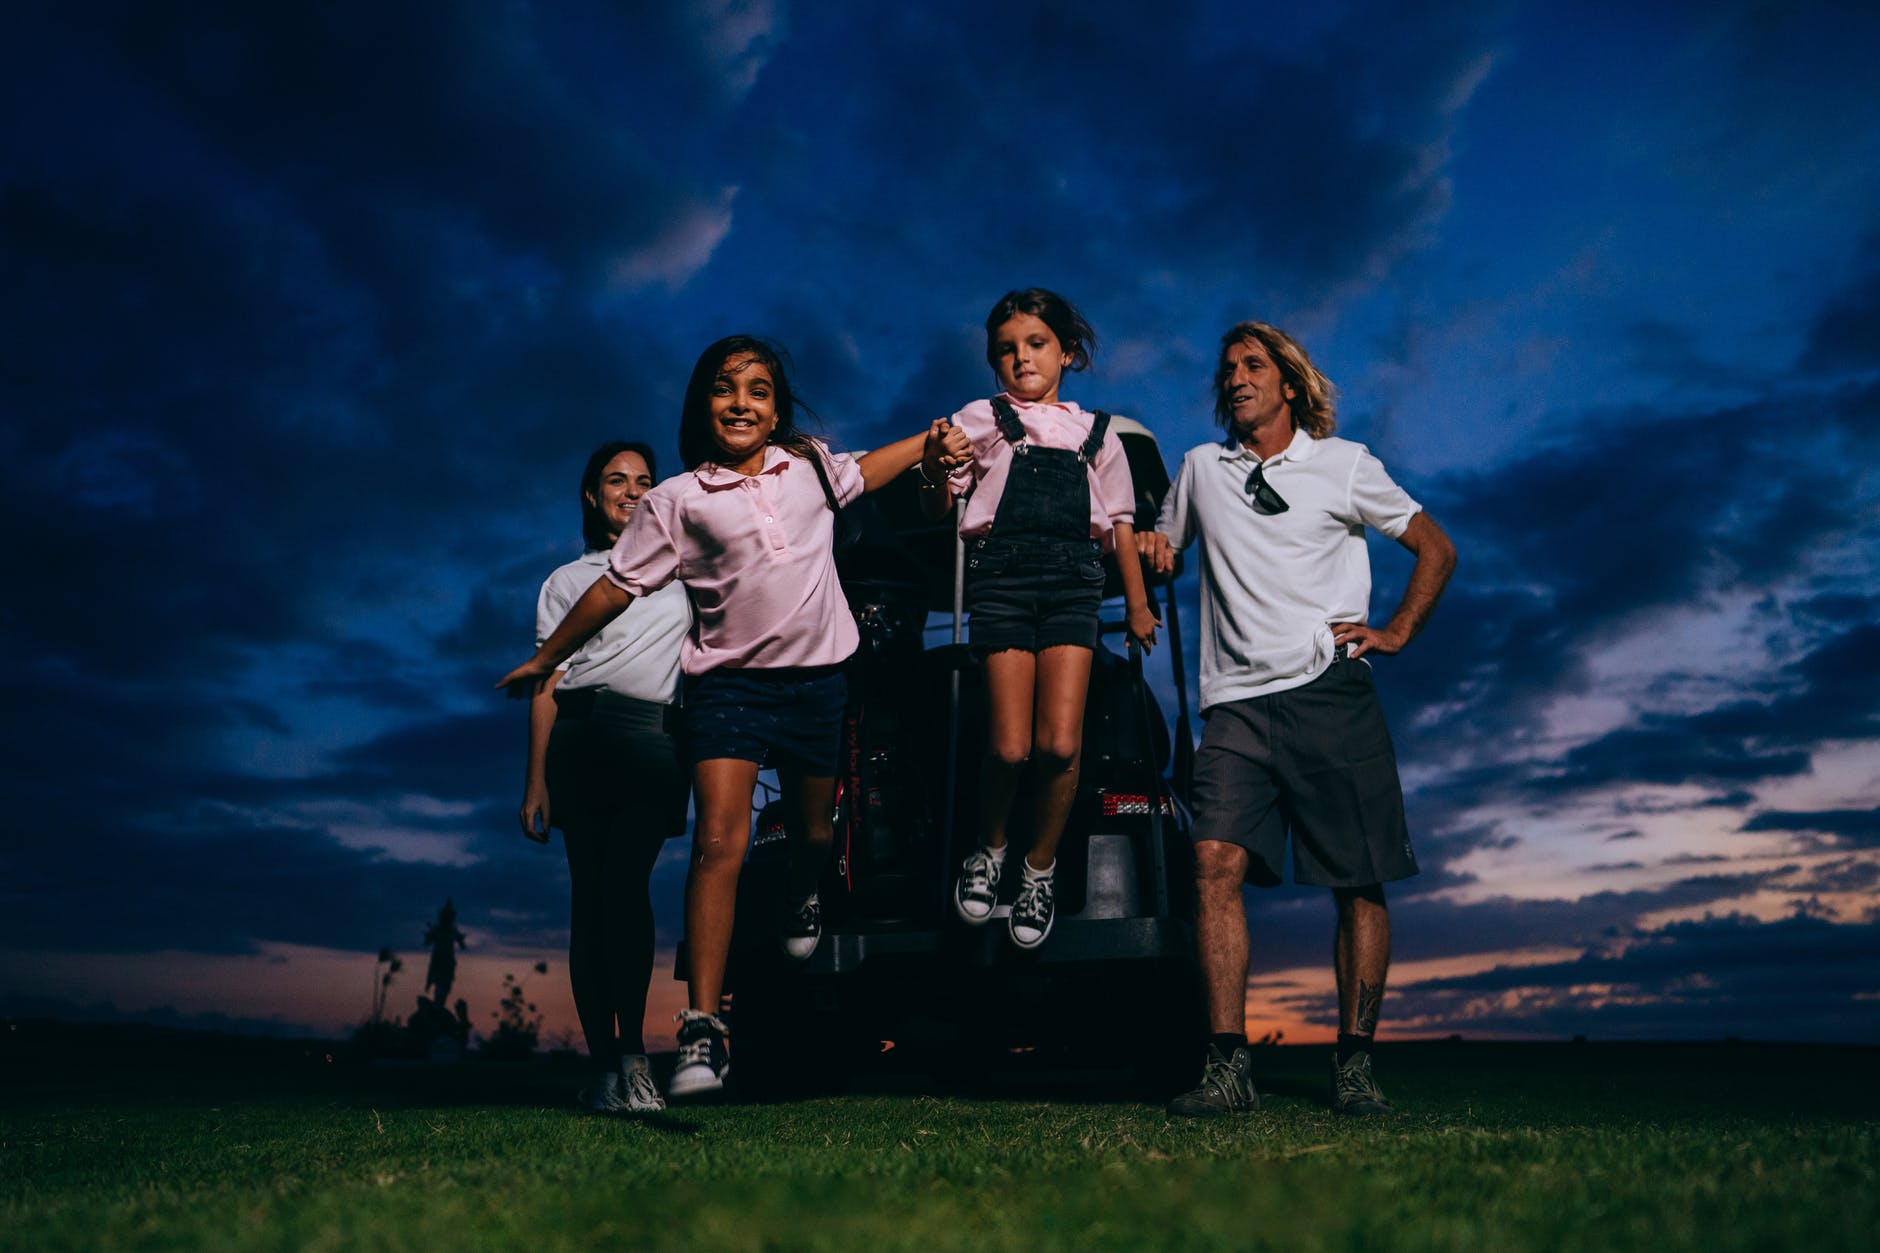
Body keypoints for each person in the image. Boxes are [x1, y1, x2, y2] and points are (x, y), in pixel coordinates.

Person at [500, 336, 970, 1099]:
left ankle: (803, 892)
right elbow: (615, 587)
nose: (741, 402)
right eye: (725, 388)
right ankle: (702, 1027)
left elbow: (878, 468)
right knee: (721, 840)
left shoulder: (812, 467)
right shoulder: (677, 499)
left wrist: (933, 439)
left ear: (777, 407)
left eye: (757, 389)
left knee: (815, 834)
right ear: (703, 404)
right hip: (728, 691)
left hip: (817, 685)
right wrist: (545, 657)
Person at [1140, 322, 1456, 1117]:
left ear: (1289, 381)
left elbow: (1436, 548)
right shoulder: (1202, 470)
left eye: (1254, 365)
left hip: (1329, 692)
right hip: (1234, 707)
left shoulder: (1343, 464)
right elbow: (1164, 547)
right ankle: (1226, 1067)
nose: (1238, 378)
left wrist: (1396, 631)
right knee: (1212, 865)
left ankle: (1353, 1065)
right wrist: (1138, 542)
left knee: (1357, 879)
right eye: (1229, 369)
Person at [918, 289, 1159, 950]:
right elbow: (941, 504)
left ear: (1067, 352)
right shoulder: (982, 417)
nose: (1020, 357)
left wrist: (1135, 602)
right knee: (1010, 746)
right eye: (1006, 348)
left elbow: (1119, 524)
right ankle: (989, 847)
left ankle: (1039, 867)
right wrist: (936, 465)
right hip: (1001, 578)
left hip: (1073, 585)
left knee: (1059, 745)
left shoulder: (1100, 434)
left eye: (1035, 343)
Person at [519, 440, 692, 1115]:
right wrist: (535, 779)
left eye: (644, 480)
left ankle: (635, 1059)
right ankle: (604, 1068)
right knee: (588, 902)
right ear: (592, 495)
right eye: (615, 479)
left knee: (626, 887)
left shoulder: (684, 572)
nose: (630, 489)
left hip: (654, 739)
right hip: (581, 737)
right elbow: (545, 682)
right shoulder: (567, 580)